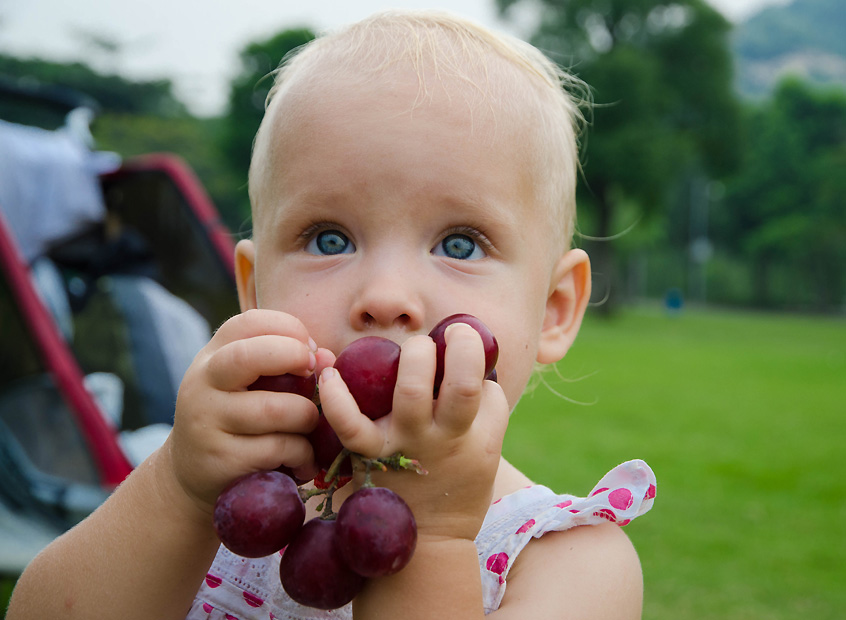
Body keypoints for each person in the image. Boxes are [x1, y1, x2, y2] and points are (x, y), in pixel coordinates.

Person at [7, 9, 656, 620]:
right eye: (329, 239)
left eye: (459, 244)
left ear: (553, 310)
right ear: (255, 291)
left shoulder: (569, 563)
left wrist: (427, 538)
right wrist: (177, 489)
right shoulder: (216, 505)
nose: (385, 295)